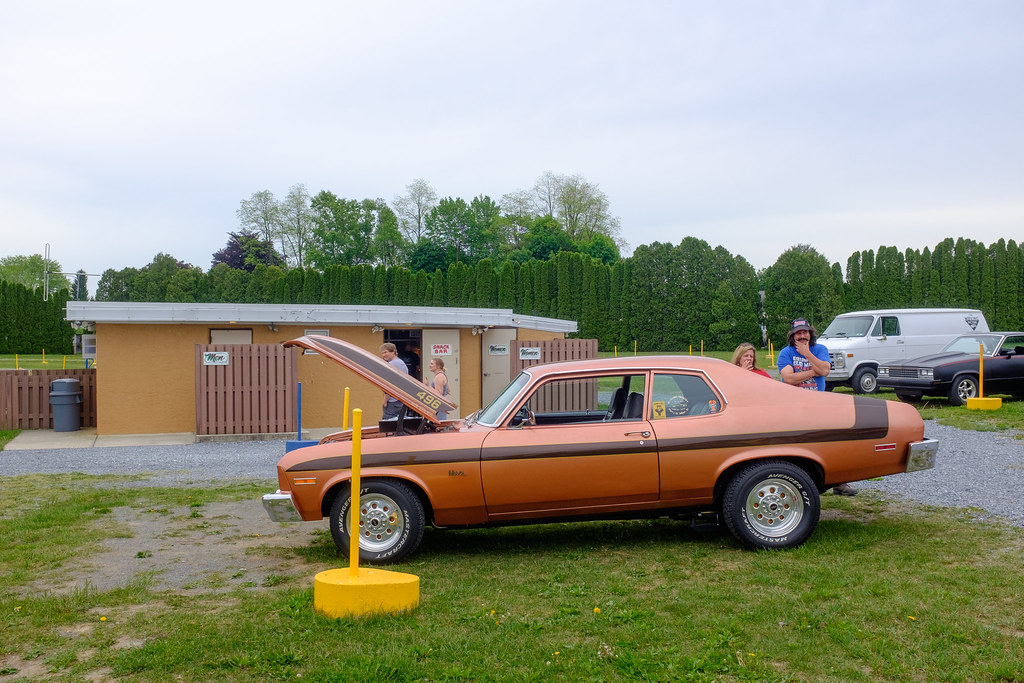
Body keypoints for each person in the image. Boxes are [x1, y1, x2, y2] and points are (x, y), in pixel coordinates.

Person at [777, 318, 856, 496]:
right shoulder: (785, 353)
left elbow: (826, 371)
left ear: (810, 334)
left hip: (818, 405)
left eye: (805, 332)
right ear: (793, 336)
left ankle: (839, 482)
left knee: (830, 442)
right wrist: (814, 371)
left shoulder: (820, 349)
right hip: (793, 406)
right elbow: (789, 379)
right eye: (799, 333)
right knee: (796, 445)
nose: (803, 335)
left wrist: (807, 355)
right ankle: (796, 484)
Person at [380, 342, 409, 420]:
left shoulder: (391, 365)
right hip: (402, 399)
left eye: (385, 352)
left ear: (393, 352)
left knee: (388, 425)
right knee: (401, 424)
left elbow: (389, 384)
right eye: (382, 353)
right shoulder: (402, 363)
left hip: (392, 401)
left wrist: (385, 400)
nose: (383, 355)